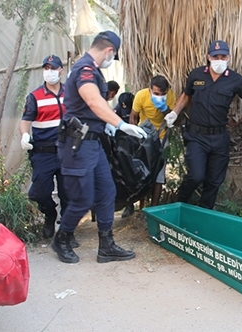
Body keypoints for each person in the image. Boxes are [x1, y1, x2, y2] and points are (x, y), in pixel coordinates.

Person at [52, 30, 147, 264]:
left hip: (93, 143)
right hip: (77, 145)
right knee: (82, 200)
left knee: (107, 192)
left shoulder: (93, 70)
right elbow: (93, 101)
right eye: (112, 57)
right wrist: (121, 124)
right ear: (109, 51)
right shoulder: (84, 69)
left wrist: (107, 126)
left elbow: (95, 106)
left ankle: (106, 245)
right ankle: (61, 238)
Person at [164, 40, 242, 209]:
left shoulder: (235, 80)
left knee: (214, 181)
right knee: (196, 175)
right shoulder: (197, 75)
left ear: (228, 57)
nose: (219, 59)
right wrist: (174, 112)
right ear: (209, 57)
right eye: (216, 56)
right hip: (197, 137)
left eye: (223, 56)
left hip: (219, 137)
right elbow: (186, 95)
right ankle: (180, 203)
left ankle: (204, 214)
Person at [19, 55, 75, 246]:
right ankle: (50, 213)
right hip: (43, 152)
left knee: (68, 193)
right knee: (39, 192)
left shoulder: (70, 92)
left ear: (61, 70)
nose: (49, 71)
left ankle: (67, 231)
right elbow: (25, 120)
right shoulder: (35, 96)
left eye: (53, 68)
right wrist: (24, 135)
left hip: (67, 151)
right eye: (46, 68)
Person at [129, 75, 176, 211]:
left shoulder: (171, 96)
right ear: (150, 90)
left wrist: (165, 109)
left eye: (163, 94)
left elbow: (177, 120)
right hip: (144, 137)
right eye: (156, 94)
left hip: (161, 138)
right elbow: (133, 116)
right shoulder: (141, 96)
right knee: (141, 171)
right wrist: (135, 136)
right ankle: (139, 205)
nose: (160, 96)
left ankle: (153, 208)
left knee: (159, 174)